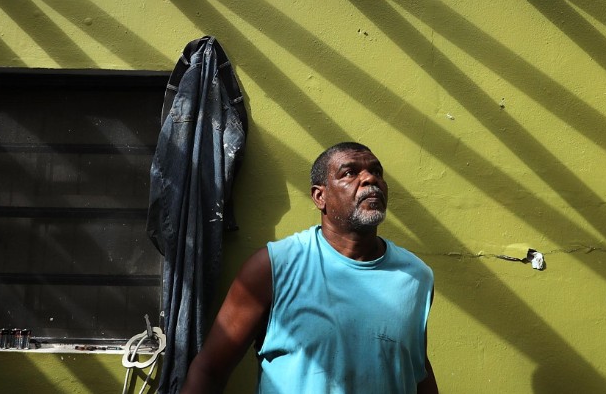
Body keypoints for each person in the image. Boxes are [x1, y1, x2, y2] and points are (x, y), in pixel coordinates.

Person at [180, 142, 438, 394]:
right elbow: (210, 370)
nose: (370, 179)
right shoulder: (273, 267)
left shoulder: (416, 277)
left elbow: (415, 369)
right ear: (320, 196)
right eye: (350, 173)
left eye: (376, 172)